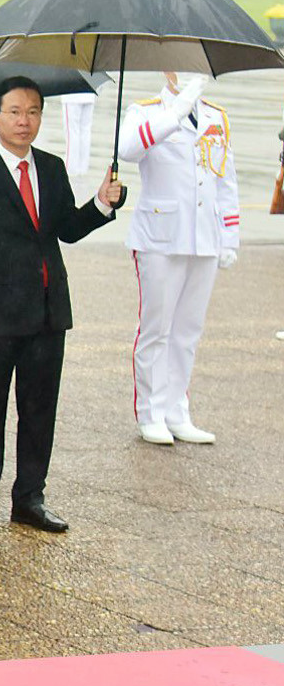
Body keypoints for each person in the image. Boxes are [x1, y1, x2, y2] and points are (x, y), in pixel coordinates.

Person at [0, 77, 122, 536]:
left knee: (40, 409)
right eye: (15, 112)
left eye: (34, 112)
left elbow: (66, 228)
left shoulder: (51, 166)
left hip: (47, 311)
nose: (25, 121)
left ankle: (29, 498)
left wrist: (102, 204)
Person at [119, 73, 236, 446]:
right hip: (160, 235)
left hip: (204, 235)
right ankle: (151, 413)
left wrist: (229, 234)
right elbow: (129, 149)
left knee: (188, 331)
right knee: (157, 329)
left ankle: (177, 409)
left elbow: (224, 179)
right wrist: (178, 110)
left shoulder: (216, 115)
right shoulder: (146, 111)